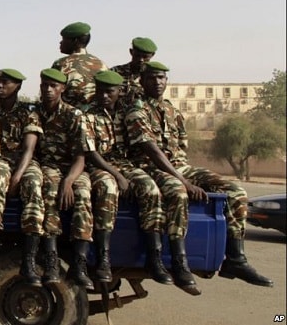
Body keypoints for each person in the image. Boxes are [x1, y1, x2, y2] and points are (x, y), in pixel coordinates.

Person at [126, 61, 273, 289]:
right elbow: (151, 150)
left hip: (180, 167)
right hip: (151, 168)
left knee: (236, 192)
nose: (158, 82)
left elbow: (181, 148)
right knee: (178, 193)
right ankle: (178, 261)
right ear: (142, 81)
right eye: (152, 78)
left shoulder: (172, 110)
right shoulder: (136, 111)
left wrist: (189, 176)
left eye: (162, 78)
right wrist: (185, 181)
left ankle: (236, 259)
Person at [81, 70, 177, 287]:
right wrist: (117, 176)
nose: (104, 96)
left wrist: (125, 174)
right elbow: (92, 153)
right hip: (101, 165)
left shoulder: (128, 113)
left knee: (151, 190)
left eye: (110, 92)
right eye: (100, 91)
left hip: (127, 165)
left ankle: (154, 258)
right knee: (108, 188)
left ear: (119, 92)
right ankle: (103, 259)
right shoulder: (87, 114)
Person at [16, 68, 94, 289]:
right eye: (44, 86)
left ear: (63, 89)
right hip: (47, 166)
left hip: (72, 167)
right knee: (50, 190)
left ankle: (79, 264)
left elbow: (81, 157)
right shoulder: (35, 112)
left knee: (84, 193)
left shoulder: (74, 115)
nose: (48, 90)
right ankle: (51, 259)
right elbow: (30, 147)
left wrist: (69, 181)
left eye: (53, 86)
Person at [0, 68, 42, 280]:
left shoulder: (29, 112)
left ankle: (29, 258)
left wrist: (18, 176)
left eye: (5, 83)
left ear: (17, 86)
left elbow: (29, 149)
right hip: (0, 160)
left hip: (24, 161)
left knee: (34, 186)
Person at [51, 22, 108, 110]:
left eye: (64, 39)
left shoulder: (61, 64)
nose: (60, 42)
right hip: (96, 119)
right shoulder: (101, 64)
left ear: (75, 41)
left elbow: (52, 95)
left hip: (69, 117)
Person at [110, 37, 157, 108]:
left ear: (152, 55)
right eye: (137, 55)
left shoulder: (154, 77)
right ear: (131, 52)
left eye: (145, 57)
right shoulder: (115, 72)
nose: (141, 60)